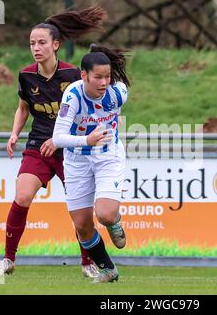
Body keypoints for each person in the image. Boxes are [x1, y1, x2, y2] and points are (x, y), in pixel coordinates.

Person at [0, 6, 108, 280]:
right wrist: (14, 133)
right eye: (32, 43)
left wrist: (65, 140)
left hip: (72, 150)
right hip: (39, 146)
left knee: (81, 212)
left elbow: (88, 111)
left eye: (41, 42)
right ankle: (8, 259)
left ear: (56, 45)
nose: (36, 48)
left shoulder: (73, 76)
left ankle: (87, 262)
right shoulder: (26, 75)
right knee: (22, 196)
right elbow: (23, 108)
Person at [52, 44, 131, 283]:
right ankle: (108, 270)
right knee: (82, 225)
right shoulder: (73, 96)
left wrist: (95, 140)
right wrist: (87, 139)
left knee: (105, 215)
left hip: (108, 156)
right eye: (98, 77)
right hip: (76, 160)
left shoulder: (118, 93)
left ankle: (114, 222)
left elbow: (117, 85)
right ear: (83, 75)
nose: (104, 82)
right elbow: (58, 138)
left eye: (107, 76)